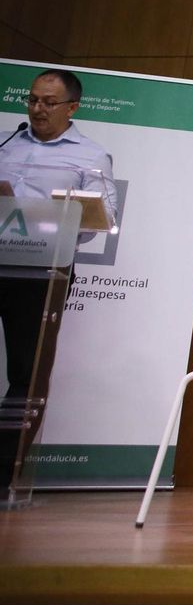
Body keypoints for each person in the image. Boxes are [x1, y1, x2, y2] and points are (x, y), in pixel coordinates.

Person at [0, 69, 119, 476]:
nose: (37, 109)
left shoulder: (91, 156)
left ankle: (6, 469)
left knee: (26, 370)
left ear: (72, 108)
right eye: (32, 100)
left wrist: (53, 219)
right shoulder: (7, 143)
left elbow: (105, 218)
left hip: (43, 273)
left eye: (49, 103)